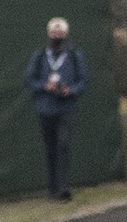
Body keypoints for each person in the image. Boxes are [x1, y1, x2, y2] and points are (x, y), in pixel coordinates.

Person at [26, 17, 87, 200]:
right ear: (49, 34)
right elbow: (29, 80)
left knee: (63, 145)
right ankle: (53, 188)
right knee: (51, 148)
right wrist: (45, 86)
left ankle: (64, 187)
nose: (57, 36)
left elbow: (83, 81)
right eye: (54, 32)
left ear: (66, 34)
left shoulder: (75, 55)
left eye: (60, 33)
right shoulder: (40, 55)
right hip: (46, 109)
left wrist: (70, 90)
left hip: (67, 109)